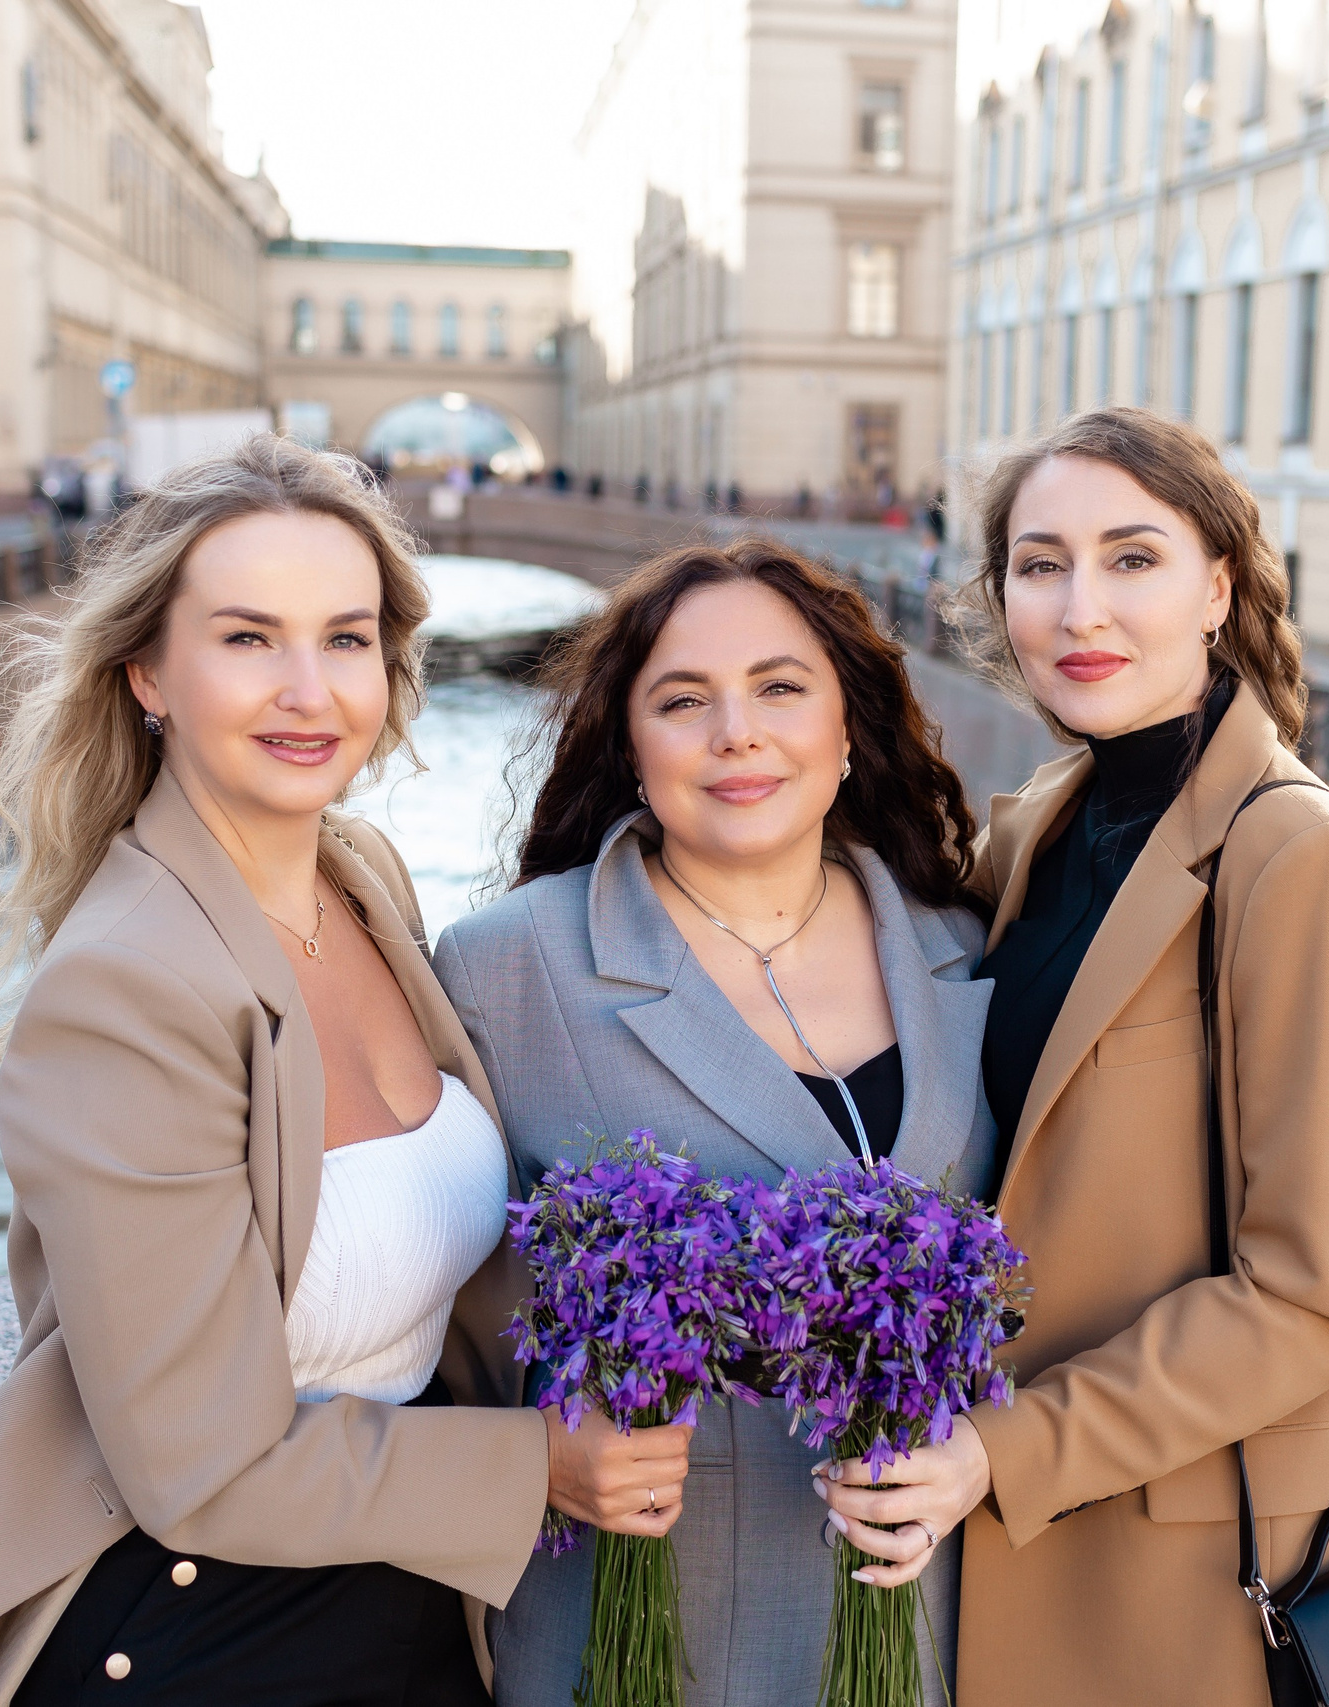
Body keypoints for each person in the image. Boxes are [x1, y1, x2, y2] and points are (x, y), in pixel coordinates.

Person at [0, 437, 683, 1707]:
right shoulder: (125, 986)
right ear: (147, 674)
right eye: (247, 639)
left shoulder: (363, 883)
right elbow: (202, 1468)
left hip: (398, 1596)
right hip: (200, 1628)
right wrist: (539, 1470)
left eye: (345, 639)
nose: (308, 689)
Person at [807, 408, 1329, 1705]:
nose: (1080, 606)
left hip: (1194, 1585)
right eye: (1041, 564)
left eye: (1131, 558)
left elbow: (1311, 1294)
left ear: (1217, 587)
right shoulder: (1043, 823)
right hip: (1013, 1532)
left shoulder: (1301, 859)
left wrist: (1003, 1449)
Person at [435, 537, 996, 1707]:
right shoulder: (505, 969)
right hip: (636, 1644)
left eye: (780, 688)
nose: (735, 732)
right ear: (631, 749)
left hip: (920, 1640)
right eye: (682, 701)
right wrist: (542, 1456)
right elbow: (442, 1335)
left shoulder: (963, 950)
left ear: (849, 730)